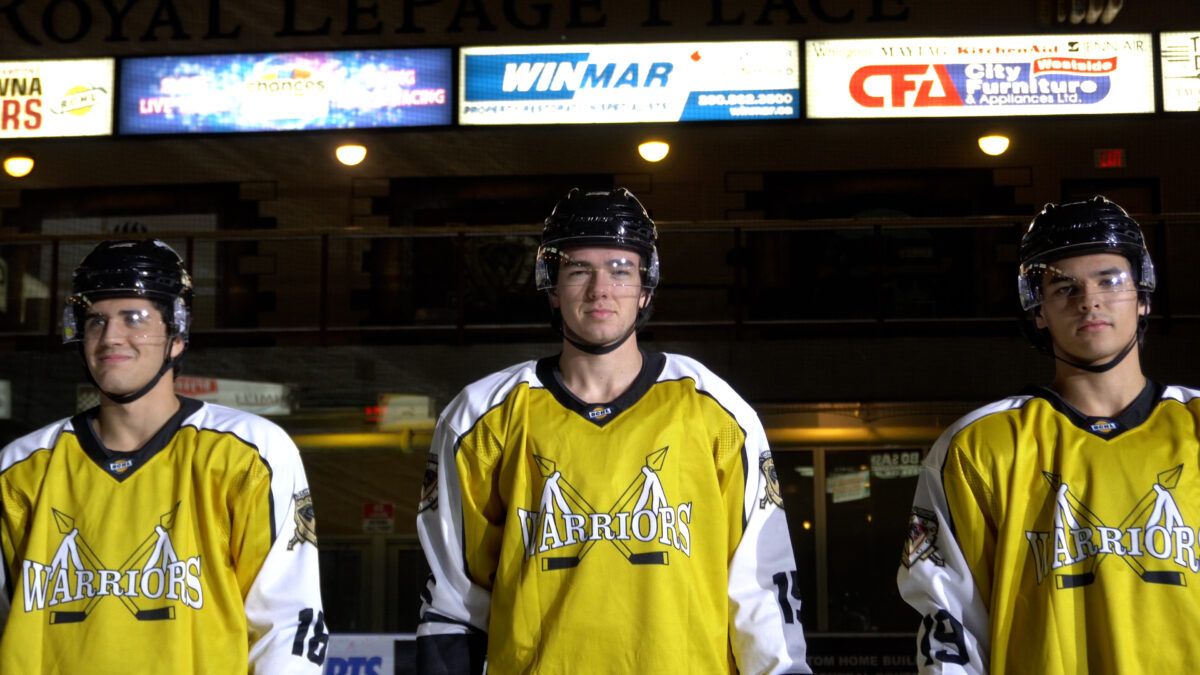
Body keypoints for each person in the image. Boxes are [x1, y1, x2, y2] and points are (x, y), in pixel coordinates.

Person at [416, 188, 810, 674]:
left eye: (621, 270)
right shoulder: (480, 419)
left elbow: (759, 588)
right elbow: (455, 600)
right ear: (552, 286)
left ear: (646, 287)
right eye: (579, 269)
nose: (600, 289)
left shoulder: (717, 412)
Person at [897, 196, 1200, 674]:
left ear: (1142, 295)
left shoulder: (1196, 425)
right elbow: (949, 623)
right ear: (1037, 310)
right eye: (1063, 286)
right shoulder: (979, 447)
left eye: (1110, 280)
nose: (1089, 300)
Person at [0, 239, 326, 673]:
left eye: (133, 318)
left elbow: (287, 623)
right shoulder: (20, 468)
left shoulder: (248, 452)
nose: (110, 336)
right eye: (96, 320)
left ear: (176, 335)